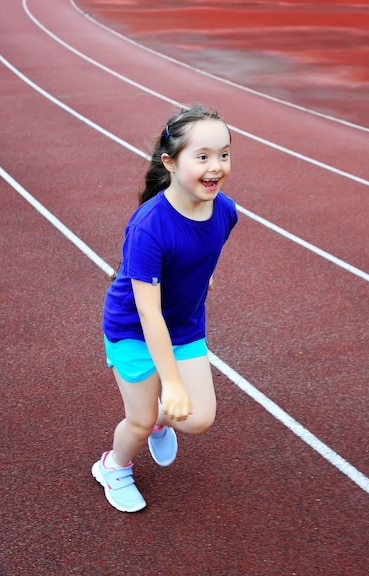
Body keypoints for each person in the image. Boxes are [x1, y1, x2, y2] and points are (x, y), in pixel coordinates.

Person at [92, 104, 238, 512]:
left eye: (224, 154)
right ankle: (113, 467)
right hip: (134, 328)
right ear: (170, 162)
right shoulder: (149, 227)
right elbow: (148, 314)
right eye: (203, 156)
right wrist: (171, 384)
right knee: (137, 421)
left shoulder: (224, 211)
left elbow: (205, 252)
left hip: (185, 326)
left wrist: (201, 278)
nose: (216, 166)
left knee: (199, 418)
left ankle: (158, 418)